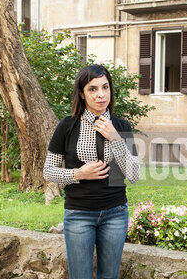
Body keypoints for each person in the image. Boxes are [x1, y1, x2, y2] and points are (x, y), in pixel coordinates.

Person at [43, 64, 140, 279]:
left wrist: (115, 138)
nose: (101, 95)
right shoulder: (67, 126)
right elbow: (48, 171)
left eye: (105, 87)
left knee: (109, 276)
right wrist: (78, 174)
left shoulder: (121, 126)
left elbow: (133, 175)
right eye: (93, 89)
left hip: (115, 212)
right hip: (79, 214)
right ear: (82, 93)